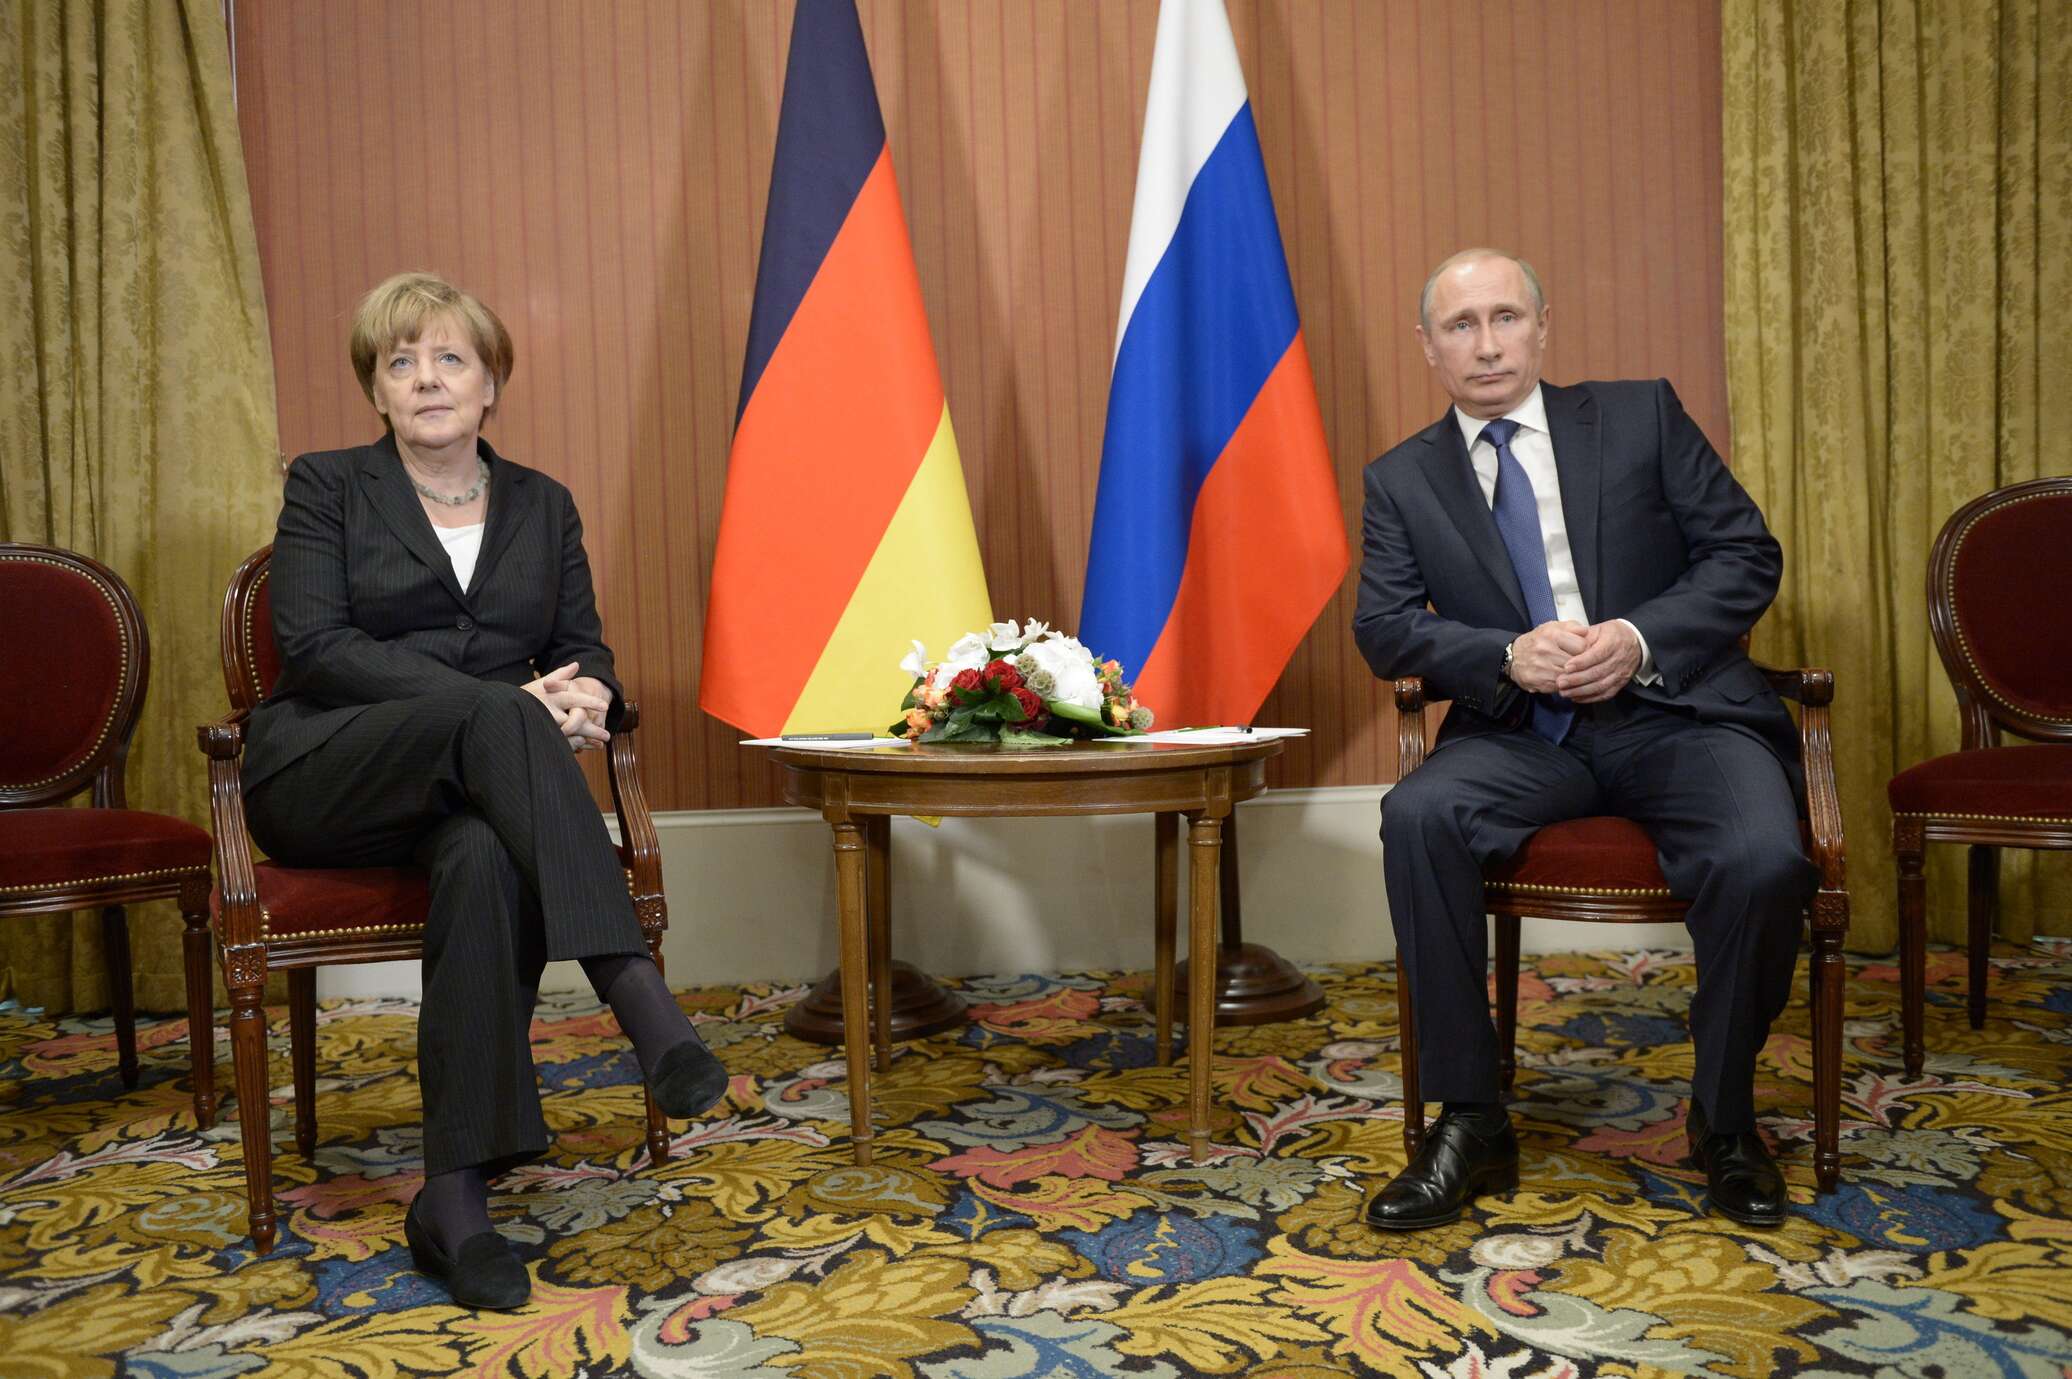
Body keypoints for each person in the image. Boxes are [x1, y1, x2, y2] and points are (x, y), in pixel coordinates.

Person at [242, 272, 729, 1308]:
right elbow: (317, 646)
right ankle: (638, 995)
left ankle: (453, 1197)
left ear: (490, 382)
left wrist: (591, 691)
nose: (426, 378)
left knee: (479, 856)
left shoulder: (543, 504)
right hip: (330, 769)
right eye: (400, 361)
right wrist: (505, 703)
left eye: (449, 358)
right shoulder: (328, 485)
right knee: (498, 715)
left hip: (469, 797)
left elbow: (582, 645)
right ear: (376, 390)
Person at [1352, 249, 1816, 1230]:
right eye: (1461, 325)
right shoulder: (1401, 479)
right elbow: (1384, 627)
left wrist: (1639, 637)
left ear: (1541, 325)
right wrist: (1502, 654)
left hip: (1676, 715)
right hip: (1522, 733)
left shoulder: (1640, 416)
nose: (1486, 344)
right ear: (1428, 346)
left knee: (1763, 856)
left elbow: (1744, 553)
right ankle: (1470, 1115)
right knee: (1418, 815)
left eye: (1505, 317)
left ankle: (1724, 1117)